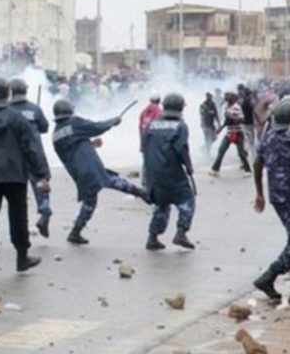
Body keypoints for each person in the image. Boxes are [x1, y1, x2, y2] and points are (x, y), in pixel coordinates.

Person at [0, 77, 50, 277]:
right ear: (6, 94)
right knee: (18, 218)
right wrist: (42, 174)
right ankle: (22, 258)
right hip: (15, 175)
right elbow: (30, 148)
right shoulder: (18, 119)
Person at [52, 99, 150, 245]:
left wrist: (90, 144)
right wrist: (113, 121)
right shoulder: (74, 123)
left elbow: (71, 148)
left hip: (78, 171)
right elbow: (96, 127)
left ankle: (75, 232)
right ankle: (141, 193)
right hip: (89, 167)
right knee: (111, 181)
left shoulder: (55, 134)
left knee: (91, 199)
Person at [253, 97, 290, 301]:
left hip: (277, 197)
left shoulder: (268, 137)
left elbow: (257, 164)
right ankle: (269, 276)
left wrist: (259, 193)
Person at [143, 93, 196, 251]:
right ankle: (181, 232)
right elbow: (181, 148)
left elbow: (144, 146)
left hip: (153, 172)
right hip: (171, 172)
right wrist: (189, 167)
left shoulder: (153, 124)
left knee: (161, 203)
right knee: (187, 201)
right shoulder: (180, 125)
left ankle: (153, 237)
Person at [8, 78, 54, 238]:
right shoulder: (34, 109)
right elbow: (45, 127)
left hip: (14, 157)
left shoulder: (6, 110)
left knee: (17, 193)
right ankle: (45, 212)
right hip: (35, 154)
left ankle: (20, 227)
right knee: (42, 185)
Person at [210, 93, 252, 176]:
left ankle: (248, 170)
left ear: (233, 98)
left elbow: (242, 119)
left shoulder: (236, 107)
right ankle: (215, 169)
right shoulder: (227, 107)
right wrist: (220, 129)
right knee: (221, 150)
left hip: (238, 133)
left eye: (228, 96)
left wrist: (233, 118)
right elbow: (227, 121)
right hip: (229, 133)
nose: (226, 98)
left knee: (241, 153)